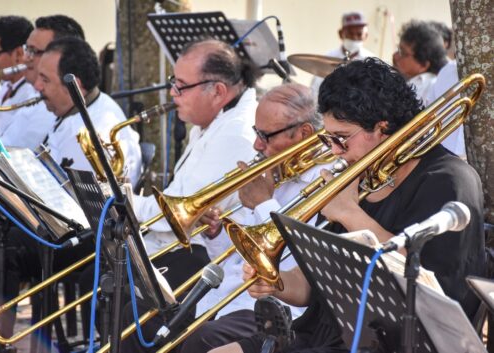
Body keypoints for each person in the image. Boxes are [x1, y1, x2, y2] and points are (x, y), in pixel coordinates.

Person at [211, 57, 485, 353]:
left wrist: (350, 213)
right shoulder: (361, 176)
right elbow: (309, 288)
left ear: (382, 128)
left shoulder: (448, 180)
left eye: (341, 139)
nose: (334, 152)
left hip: (386, 342)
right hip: (327, 333)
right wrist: (277, 282)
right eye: (329, 139)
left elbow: (431, 289)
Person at [0, 37, 141, 352]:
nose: (38, 87)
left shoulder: (98, 124)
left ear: (76, 86)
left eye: (45, 80)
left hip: (93, 234)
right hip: (63, 220)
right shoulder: (73, 111)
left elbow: (89, 208)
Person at [175, 83, 328, 353]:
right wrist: (215, 232)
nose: (257, 144)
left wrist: (262, 204)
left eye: (266, 136)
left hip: (273, 308)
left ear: (305, 133)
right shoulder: (273, 169)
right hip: (226, 298)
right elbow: (236, 258)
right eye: (256, 133)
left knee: (200, 340)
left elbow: (292, 264)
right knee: (145, 319)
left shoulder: (324, 181)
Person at [130, 38, 259, 289]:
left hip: (199, 256)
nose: (172, 93)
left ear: (218, 92)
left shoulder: (236, 133)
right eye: (173, 83)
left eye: (181, 86)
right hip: (176, 245)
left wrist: (126, 201)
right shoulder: (212, 120)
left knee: (123, 296)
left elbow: (179, 216)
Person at [0, 14, 85, 150]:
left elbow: (8, 156)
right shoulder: (36, 92)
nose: (25, 58)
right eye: (26, 49)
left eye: (33, 51)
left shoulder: (51, 105)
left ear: (62, 55)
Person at [310, 11, 376, 99]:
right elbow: (315, 89)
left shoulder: (372, 61)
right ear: (341, 34)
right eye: (350, 34)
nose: (355, 38)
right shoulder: (328, 58)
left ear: (366, 36)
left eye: (359, 34)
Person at [392, 20, 448, 102]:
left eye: (403, 53)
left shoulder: (423, 89)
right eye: (398, 49)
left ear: (423, 65)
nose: (395, 56)